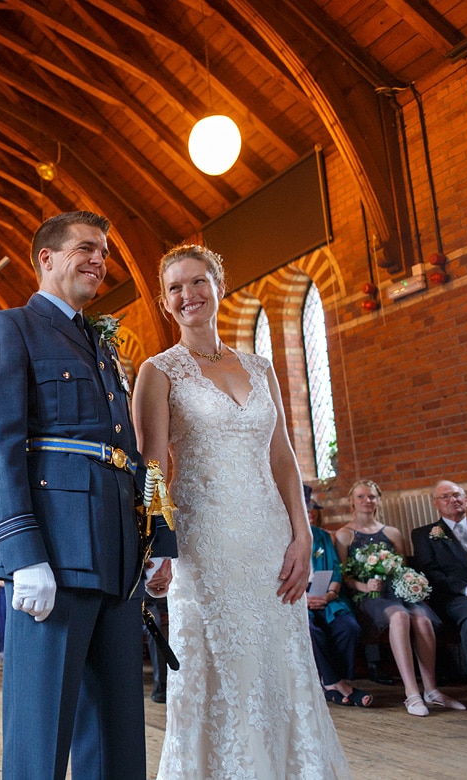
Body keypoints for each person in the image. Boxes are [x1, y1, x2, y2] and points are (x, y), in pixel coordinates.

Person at [0, 211, 174, 780]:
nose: (99, 261)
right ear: (47, 258)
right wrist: (23, 552)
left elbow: (134, 455)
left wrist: (160, 537)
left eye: (105, 253)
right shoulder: (12, 327)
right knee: (42, 728)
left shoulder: (104, 346)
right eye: (86, 248)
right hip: (56, 551)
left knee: (115, 732)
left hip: (117, 552)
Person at [132, 243, 347, 778]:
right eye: (175, 288)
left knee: (282, 665)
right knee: (222, 672)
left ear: (218, 286)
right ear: (164, 303)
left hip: (270, 538)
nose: (189, 295)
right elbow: (153, 470)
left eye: (197, 282)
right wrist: (158, 549)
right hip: (205, 544)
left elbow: (283, 458)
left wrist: (301, 536)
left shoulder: (261, 367)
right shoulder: (158, 372)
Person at [335, 478, 460, 715]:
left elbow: (403, 569)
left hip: (396, 592)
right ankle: (411, 694)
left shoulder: (392, 532)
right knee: (400, 616)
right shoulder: (343, 535)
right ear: (352, 501)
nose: (366, 501)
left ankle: (432, 691)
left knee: (422, 619)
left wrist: (413, 584)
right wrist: (365, 585)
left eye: (371, 496)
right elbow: (344, 576)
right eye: (361, 496)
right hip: (369, 596)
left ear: (378, 500)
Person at [411, 479, 467, 710]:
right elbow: (431, 573)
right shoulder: (424, 535)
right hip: (454, 597)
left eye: (457, 495)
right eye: (446, 497)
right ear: (435, 504)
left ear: (466, 501)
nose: (453, 500)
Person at [305, 486, 369, 707]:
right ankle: (336, 684)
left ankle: (331, 682)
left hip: (325, 591)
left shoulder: (322, 536)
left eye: (309, 509)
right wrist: (304, 599)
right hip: (296, 596)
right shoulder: (279, 537)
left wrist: (331, 594)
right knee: (311, 631)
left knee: (348, 627)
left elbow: (334, 568)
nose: (307, 512)